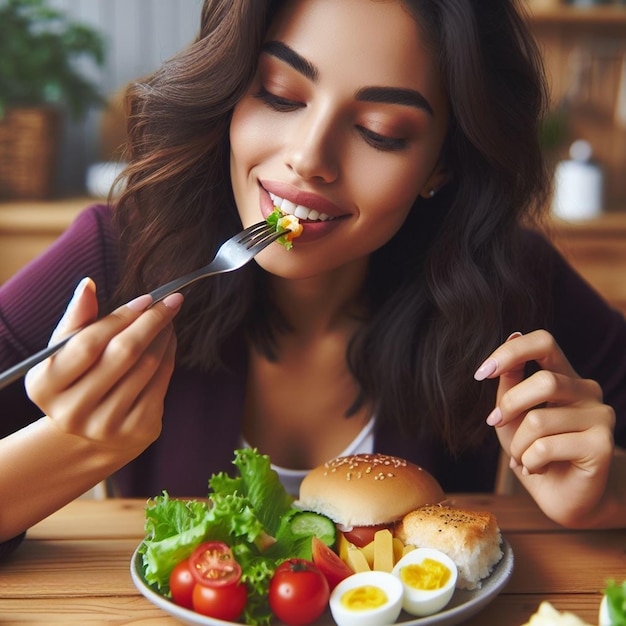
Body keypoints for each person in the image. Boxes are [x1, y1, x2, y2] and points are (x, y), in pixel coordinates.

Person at [1, 0, 625, 558]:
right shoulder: (119, 252)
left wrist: (606, 492)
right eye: (279, 93)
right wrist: (72, 449)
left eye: (381, 132)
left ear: (443, 163)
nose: (308, 157)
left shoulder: (508, 279)